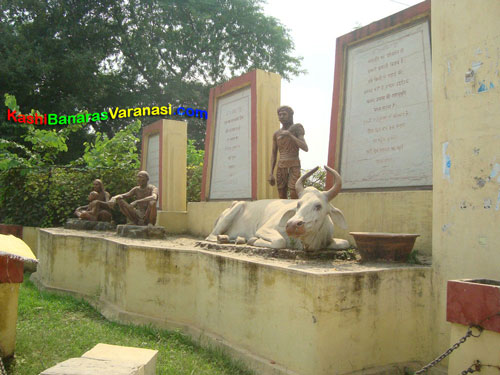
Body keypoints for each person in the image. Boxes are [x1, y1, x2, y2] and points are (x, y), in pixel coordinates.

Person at [268, 106, 308, 199]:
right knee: (281, 195)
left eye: (284, 114)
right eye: (279, 114)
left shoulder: (297, 128)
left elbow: (305, 147)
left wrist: (290, 135)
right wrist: (271, 173)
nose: (281, 116)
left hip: (294, 164)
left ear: (290, 115)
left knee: (294, 193)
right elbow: (274, 154)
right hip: (281, 165)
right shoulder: (276, 134)